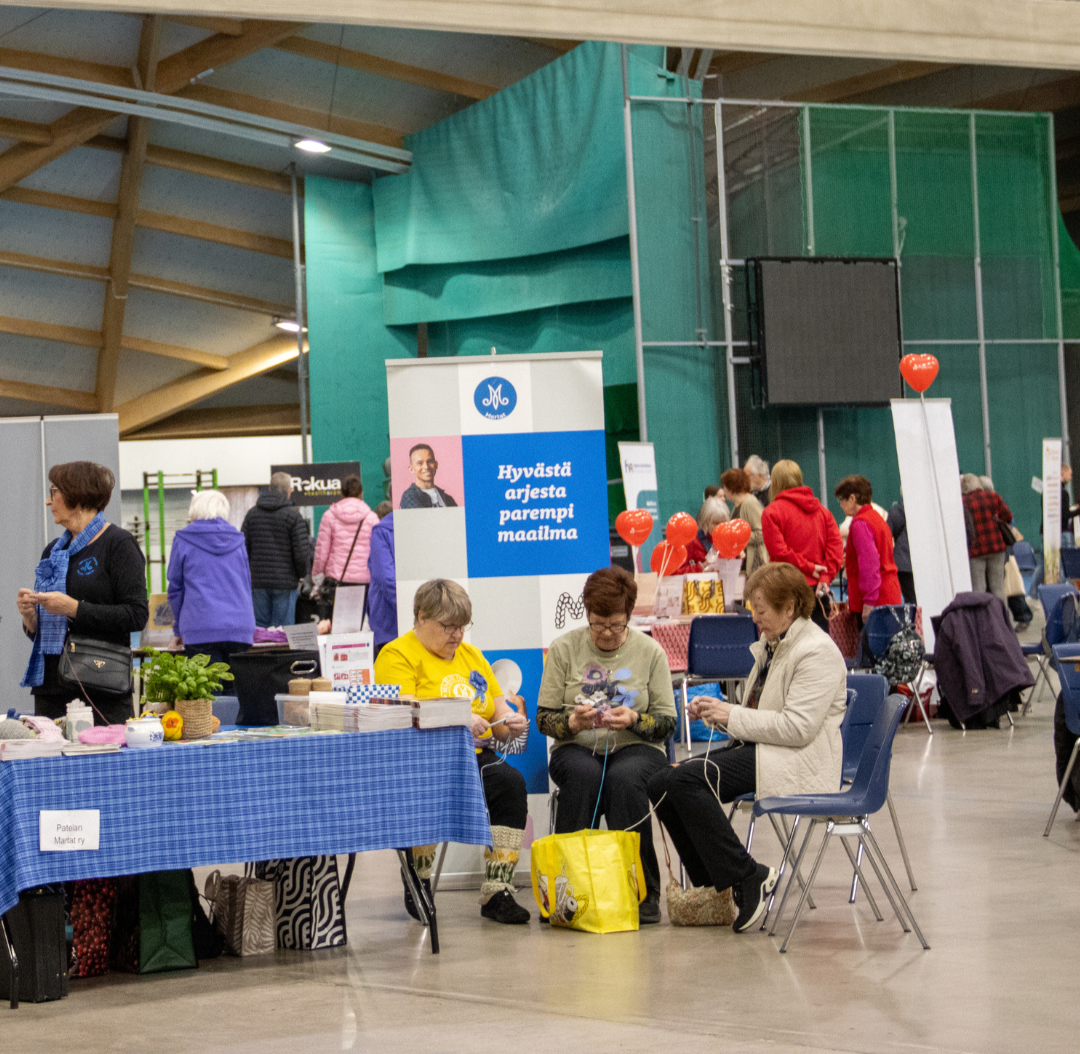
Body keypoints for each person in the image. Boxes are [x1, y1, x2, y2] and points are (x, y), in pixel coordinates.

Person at [647, 562, 847, 933]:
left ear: (789, 608)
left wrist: (733, 714)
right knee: (661, 782)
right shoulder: (773, 645)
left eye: (761, 610)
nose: (754, 618)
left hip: (799, 759)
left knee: (687, 780)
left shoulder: (816, 651)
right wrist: (717, 712)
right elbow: (756, 713)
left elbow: (798, 728)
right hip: (767, 749)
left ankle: (746, 877)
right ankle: (716, 889)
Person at [374, 579, 532, 924]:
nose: (457, 635)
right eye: (448, 626)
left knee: (510, 784)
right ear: (421, 617)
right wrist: (460, 716)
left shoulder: (472, 656)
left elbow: (497, 714)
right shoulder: (397, 655)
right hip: (420, 758)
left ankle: (497, 890)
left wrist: (511, 722)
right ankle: (418, 877)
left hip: (472, 758)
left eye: (462, 625)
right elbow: (402, 711)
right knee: (427, 792)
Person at [536, 567, 678, 925]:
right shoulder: (564, 649)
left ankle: (642, 891)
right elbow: (543, 718)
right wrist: (571, 723)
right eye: (598, 624)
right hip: (576, 747)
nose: (607, 633)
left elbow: (667, 723)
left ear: (628, 615)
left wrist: (634, 719)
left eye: (616, 624)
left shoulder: (650, 652)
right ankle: (566, 888)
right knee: (584, 776)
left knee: (624, 779)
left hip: (638, 748)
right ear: (587, 614)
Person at [17, 461, 148, 726]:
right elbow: (46, 632)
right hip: (51, 688)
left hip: (100, 686)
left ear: (76, 495)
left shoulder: (118, 544)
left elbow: (136, 615)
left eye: (54, 492)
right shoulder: (53, 551)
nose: (48, 500)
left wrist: (73, 608)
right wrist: (30, 617)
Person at [167, 489, 256, 672]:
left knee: (207, 690)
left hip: (200, 627)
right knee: (237, 689)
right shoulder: (238, 540)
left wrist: (178, 630)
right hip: (239, 628)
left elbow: (176, 588)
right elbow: (246, 585)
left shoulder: (183, 539)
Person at [760, 459, 843, 632]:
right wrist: (825, 577)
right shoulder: (823, 512)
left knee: (787, 644)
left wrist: (809, 567)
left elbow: (779, 552)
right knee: (819, 643)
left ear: (775, 482)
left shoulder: (772, 512)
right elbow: (835, 549)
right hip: (818, 591)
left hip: (786, 589)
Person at [241, 472, 312, 628]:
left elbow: (243, 549)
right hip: (285, 583)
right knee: (283, 632)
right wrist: (301, 575)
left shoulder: (252, 515)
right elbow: (301, 554)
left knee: (260, 632)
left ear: (270, 488)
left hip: (258, 583)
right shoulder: (293, 516)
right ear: (288, 491)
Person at [833, 475, 902, 626]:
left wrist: (869, 603)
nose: (841, 505)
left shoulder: (860, 524)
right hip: (889, 595)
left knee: (869, 641)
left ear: (852, 498)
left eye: (841, 500)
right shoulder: (877, 518)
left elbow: (869, 566)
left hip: (877, 601)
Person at [312, 474, 379, 600]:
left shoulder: (329, 516)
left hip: (336, 580)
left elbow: (321, 552)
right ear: (361, 494)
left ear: (342, 493)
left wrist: (316, 576)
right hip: (364, 581)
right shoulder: (372, 518)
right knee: (361, 613)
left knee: (336, 613)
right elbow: (377, 552)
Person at [961, 472, 1013, 604]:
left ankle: (982, 616)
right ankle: (1002, 616)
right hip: (996, 547)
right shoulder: (992, 496)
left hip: (975, 551)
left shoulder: (963, 502)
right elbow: (1008, 516)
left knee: (979, 589)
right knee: (998, 587)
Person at [721, 467, 768, 575]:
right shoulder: (737, 505)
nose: (724, 490)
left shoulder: (749, 503)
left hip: (754, 565)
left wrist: (739, 537)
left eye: (725, 486)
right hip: (742, 563)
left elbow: (762, 532)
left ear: (732, 487)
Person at [367, 510, 397, 655]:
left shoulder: (382, 531)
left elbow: (385, 578)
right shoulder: (383, 530)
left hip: (388, 620)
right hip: (394, 620)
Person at [678, 495, 730, 573]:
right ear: (706, 521)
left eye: (722, 523)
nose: (719, 527)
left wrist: (738, 558)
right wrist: (702, 566)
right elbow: (676, 571)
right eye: (715, 523)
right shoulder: (692, 541)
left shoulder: (727, 540)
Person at [400, 444, 458, 508]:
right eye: (420, 463)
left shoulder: (448, 499)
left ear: (436, 465)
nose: (426, 467)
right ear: (411, 469)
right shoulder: (409, 497)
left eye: (430, 462)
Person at [886, 497, 916, 604]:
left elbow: (887, 535)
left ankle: (912, 615)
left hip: (903, 562)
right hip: (921, 560)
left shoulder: (895, 511)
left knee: (910, 600)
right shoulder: (925, 510)